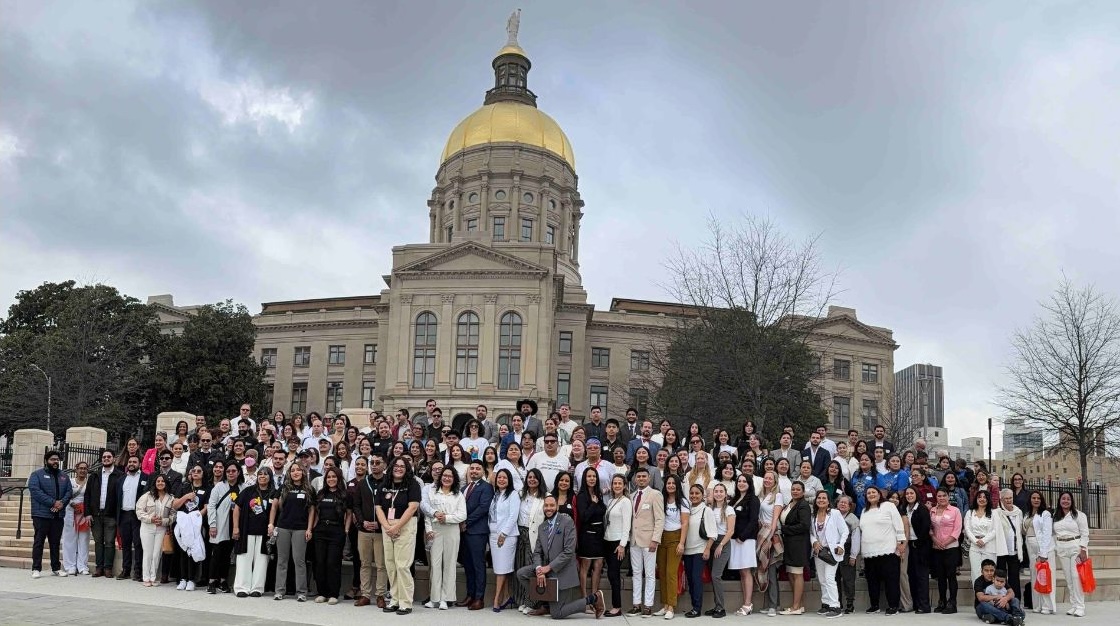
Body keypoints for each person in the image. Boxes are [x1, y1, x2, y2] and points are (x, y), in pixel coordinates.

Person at [516, 494, 606, 619]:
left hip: (563, 571)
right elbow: (537, 553)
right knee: (522, 573)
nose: (549, 508)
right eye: (546, 505)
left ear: (557, 506)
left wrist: (548, 567)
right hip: (547, 571)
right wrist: (538, 570)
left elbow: (569, 551)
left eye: (552, 505)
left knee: (557, 614)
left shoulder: (567, 521)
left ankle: (593, 598)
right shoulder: (542, 527)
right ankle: (544, 603)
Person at [377, 456, 421, 614]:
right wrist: (387, 526)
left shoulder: (412, 484)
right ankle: (394, 600)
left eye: (402, 466)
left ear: (407, 468)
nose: (399, 468)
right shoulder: (385, 484)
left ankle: (406, 602)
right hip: (387, 526)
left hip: (405, 525)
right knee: (391, 564)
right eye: (396, 465)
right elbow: (378, 508)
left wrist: (397, 526)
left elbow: (413, 507)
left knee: (402, 565)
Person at [269, 462, 315, 602]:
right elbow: (274, 507)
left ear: (303, 472)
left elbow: (312, 510)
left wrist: (309, 529)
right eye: (293, 470)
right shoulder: (283, 488)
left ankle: (301, 592)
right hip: (283, 527)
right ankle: (279, 591)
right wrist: (271, 524)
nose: (295, 472)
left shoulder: (309, 489)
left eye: (298, 470)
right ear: (289, 473)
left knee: (299, 561)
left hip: (300, 529)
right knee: (282, 560)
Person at [859, 486, 906, 615]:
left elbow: (898, 524)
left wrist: (901, 542)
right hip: (869, 551)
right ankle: (874, 605)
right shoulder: (864, 511)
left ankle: (893, 606)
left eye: (874, 492)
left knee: (891, 580)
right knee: (872, 580)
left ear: (880, 494)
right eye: (868, 493)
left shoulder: (888, 506)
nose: (871, 494)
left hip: (888, 549)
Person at [28, 449, 73, 579]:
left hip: (58, 515)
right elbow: (35, 491)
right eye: (53, 459)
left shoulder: (64, 476)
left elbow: (69, 492)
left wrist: (61, 504)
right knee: (39, 542)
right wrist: (53, 503)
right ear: (46, 461)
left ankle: (56, 568)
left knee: (55, 542)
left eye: (57, 460)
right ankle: (36, 568)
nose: (55, 462)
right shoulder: (37, 475)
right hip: (41, 515)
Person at [628, 467, 665, 617]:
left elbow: (660, 518)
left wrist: (655, 539)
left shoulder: (655, 494)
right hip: (634, 540)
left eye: (644, 476)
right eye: (639, 476)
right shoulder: (631, 496)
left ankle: (648, 606)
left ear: (649, 478)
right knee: (636, 573)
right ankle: (636, 605)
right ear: (635, 479)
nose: (641, 479)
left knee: (649, 574)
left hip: (649, 541)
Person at [232, 466, 274, 597]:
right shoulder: (248, 491)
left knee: (262, 560)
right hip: (246, 530)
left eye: (265, 474)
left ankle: (257, 588)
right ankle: (241, 587)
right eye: (260, 474)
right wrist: (236, 527)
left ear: (270, 477)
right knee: (244, 559)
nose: (262, 476)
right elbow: (237, 509)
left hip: (264, 533)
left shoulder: (273, 492)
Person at [459, 459, 494, 610]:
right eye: (471, 468)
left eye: (477, 469)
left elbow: (483, 507)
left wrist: (466, 522)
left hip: (477, 531)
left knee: (478, 565)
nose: (474, 471)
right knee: (468, 565)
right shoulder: (464, 488)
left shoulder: (486, 487)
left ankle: (479, 598)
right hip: (464, 532)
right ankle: (470, 594)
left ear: (483, 472)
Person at [653, 474, 689, 619]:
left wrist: (681, 542)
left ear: (677, 485)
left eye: (673, 483)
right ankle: (665, 605)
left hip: (675, 537)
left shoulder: (683, 502)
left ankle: (671, 607)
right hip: (662, 537)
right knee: (662, 572)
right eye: (668, 483)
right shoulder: (661, 499)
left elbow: (685, 523)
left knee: (671, 573)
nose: (671, 486)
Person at [810, 490, 848, 618]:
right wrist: (814, 542)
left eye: (824, 498)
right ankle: (825, 604)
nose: (821, 500)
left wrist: (840, 545)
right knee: (822, 579)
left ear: (828, 501)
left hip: (832, 551)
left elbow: (845, 531)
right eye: (819, 498)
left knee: (830, 578)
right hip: (819, 552)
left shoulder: (835, 513)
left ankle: (835, 607)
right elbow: (811, 533)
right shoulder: (813, 516)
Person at [1052, 491, 1090, 617]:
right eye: (1063, 498)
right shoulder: (1055, 516)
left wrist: (1083, 549)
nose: (1066, 501)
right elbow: (1053, 533)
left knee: (1076, 577)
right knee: (1068, 579)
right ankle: (1074, 605)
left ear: (1072, 501)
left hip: (1076, 548)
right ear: (1059, 500)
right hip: (1062, 548)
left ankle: (1080, 606)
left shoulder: (1079, 515)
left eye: (1068, 499)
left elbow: (1085, 533)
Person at [172, 464, 210, 591]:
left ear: (203, 474)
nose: (196, 472)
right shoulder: (184, 486)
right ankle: (182, 579)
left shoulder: (207, 488)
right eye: (194, 470)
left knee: (193, 551)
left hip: (197, 525)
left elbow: (206, 507)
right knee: (183, 552)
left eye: (199, 471)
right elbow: (175, 505)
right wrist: (186, 497)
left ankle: (192, 579)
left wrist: (197, 517)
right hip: (183, 524)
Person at [206, 462, 242, 593]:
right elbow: (211, 506)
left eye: (233, 471)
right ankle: (211, 581)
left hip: (235, 526)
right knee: (216, 554)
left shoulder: (243, 487)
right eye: (228, 471)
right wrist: (213, 524)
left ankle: (223, 580)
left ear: (238, 472)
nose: (231, 473)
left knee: (227, 555)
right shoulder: (219, 487)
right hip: (221, 525)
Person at [680, 484, 715, 618]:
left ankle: (697, 608)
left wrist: (707, 549)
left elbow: (713, 533)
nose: (694, 496)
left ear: (702, 495)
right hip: (687, 551)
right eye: (692, 493)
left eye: (697, 493)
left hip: (700, 550)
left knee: (696, 578)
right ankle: (694, 605)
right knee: (690, 579)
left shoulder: (707, 511)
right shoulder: (687, 510)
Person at [87, 448, 122, 578]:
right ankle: (99, 568)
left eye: (108, 457)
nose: (106, 459)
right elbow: (87, 496)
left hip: (110, 515)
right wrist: (87, 513)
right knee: (98, 542)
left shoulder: (119, 475)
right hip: (96, 515)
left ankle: (108, 568)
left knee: (109, 542)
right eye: (104, 457)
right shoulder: (94, 476)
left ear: (114, 459)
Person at [778, 480, 811, 615]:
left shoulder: (804, 505)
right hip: (789, 544)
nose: (795, 491)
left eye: (798, 489)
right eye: (793, 489)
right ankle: (799, 605)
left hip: (798, 544)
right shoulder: (790, 504)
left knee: (797, 574)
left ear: (803, 492)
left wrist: (785, 529)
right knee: (791, 573)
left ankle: (795, 607)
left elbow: (804, 525)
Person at [136, 474, 174, 586]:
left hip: (161, 529)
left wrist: (164, 521)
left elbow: (173, 515)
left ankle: (153, 578)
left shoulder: (171, 497)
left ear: (166, 483)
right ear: (155, 483)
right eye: (158, 481)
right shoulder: (147, 496)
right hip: (147, 528)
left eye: (163, 481)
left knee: (157, 554)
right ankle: (146, 578)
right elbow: (139, 511)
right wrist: (150, 519)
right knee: (148, 553)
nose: (160, 483)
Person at [755, 471, 785, 616]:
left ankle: (773, 606)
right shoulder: (760, 495)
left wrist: (770, 536)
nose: (767, 480)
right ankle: (773, 604)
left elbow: (775, 519)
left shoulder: (777, 496)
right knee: (764, 569)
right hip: (760, 534)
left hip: (771, 535)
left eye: (770, 479)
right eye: (765, 478)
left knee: (771, 571)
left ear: (775, 481)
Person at [930, 487, 964, 614]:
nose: (942, 498)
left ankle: (952, 602)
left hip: (951, 548)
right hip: (937, 548)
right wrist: (935, 540)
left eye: (944, 495)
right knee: (940, 577)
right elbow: (930, 528)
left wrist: (945, 542)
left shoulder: (955, 510)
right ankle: (942, 601)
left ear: (948, 497)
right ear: (936, 497)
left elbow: (957, 530)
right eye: (939, 496)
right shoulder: (932, 510)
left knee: (951, 576)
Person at [602, 474, 632, 617]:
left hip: (617, 543)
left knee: (614, 574)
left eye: (620, 483)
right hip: (608, 540)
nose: (617, 486)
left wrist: (622, 545)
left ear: (624, 485)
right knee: (610, 573)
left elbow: (627, 525)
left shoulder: (625, 502)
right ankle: (615, 605)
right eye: (615, 483)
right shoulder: (611, 501)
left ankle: (617, 606)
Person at [900, 485, 932, 613]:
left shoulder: (922, 508)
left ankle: (924, 605)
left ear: (916, 494)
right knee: (912, 576)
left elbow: (925, 527)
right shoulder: (905, 508)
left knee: (922, 577)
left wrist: (919, 543)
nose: (909, 496)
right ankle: (915, 603)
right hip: (910, 546)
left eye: (911, 493)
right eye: (907, 494)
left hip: (921, 546)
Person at [1023, 490, 1055, 615]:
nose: (1036, 500)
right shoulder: (1027, 514)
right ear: (1030, 500)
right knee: (1034, 576)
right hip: (1030, 547)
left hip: (1042, 548)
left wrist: (1043, 553)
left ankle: (1047, 606)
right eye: (1033, 498)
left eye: (1038, 498)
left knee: (1044, 576)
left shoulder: (1045, 514)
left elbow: (1047, 533)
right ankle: (1037, 605)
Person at [994, 488, 1025, 606]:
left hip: (1015, 549)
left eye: (1010, 498)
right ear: (1001, 499)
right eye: (1006, 498)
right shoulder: (997, 512)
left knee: (1014, 577)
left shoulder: (1018, 512)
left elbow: (1021, 529)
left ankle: (1015, 601)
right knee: (1001, 576)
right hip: (1001, 549)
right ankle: (1002, 600)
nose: (1008, 500)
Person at [973, 559, 1025, 625]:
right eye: (986, 571)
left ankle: (1015, 616)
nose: (989, 573)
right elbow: (981, 598)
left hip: (1002, 606)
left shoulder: (999, 579)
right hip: (984, 608)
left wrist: (1005, 599)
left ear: (995, 571)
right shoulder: (979, 581)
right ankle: (1009, 618)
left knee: (1015, 600)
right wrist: (997, 597)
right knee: (983, 604)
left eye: (991, 570)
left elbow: (1012, 593)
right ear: (982, 571)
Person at [62, 460, 91, 576]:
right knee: (69, 539)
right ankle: (70, 566)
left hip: (84, 513)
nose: (82, 470)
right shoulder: (69, 482)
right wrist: (71, 503)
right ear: (76, 469)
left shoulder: (89, 483)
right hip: (70, 512)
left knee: (84, 539)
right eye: (80, 468)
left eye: (85, 468)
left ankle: (82, 566)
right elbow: (64, 495)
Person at [834, 495, 861, 614]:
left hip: (847, 551)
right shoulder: (833, 516)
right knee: (835, 579)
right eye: (840, 502)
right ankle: (837, 603)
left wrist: (853, 555)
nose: (843, 504)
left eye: (846, 503)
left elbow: (856, 538)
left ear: (850, 506)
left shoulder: (853, 518)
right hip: (834, 551)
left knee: (848, 579)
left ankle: (850, 604)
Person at [966, 490, 998, 583]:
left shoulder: (993, 513)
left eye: (984, 497)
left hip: (989, 545)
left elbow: (995, 530)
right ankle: (978, 595)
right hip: (974, 546)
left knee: (989, 572)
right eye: (979, 497)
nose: (982, 499)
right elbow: (967, 529)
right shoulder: (970, 512)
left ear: (988, 499)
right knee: (976, 572)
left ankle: (989, 595)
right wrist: (976, 541)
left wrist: (984, 540)